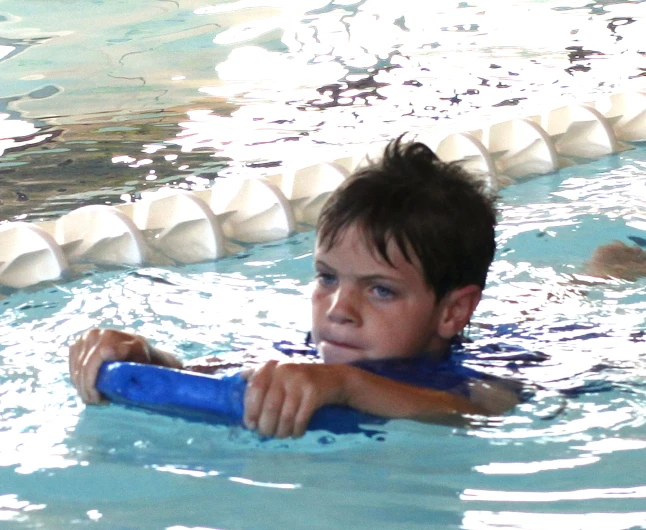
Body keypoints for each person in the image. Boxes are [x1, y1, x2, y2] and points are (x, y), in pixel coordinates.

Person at [69, 136, 522, 437]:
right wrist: (145, 358)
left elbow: (475, 413)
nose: (339, 310)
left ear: (451, 312)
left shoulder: (474, 379)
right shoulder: (301, 359)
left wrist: (346, 385)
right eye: (327, 277)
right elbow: (210, 374)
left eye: (380, 290)